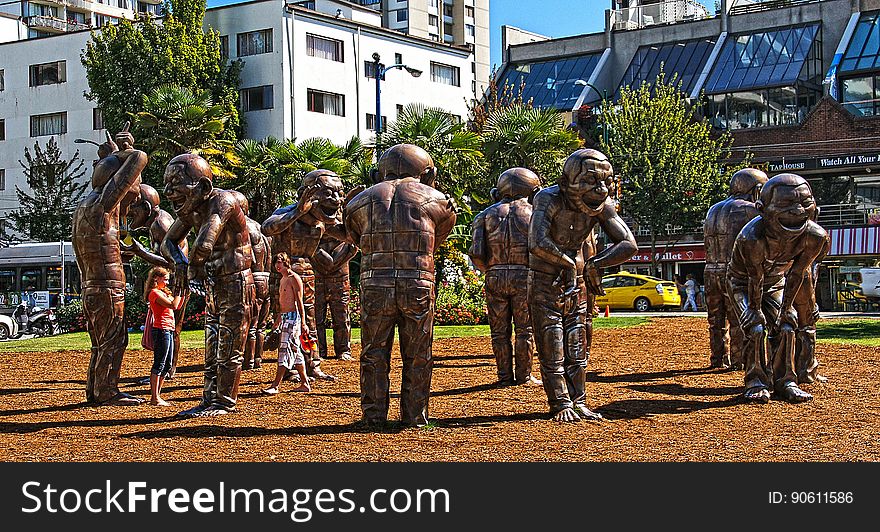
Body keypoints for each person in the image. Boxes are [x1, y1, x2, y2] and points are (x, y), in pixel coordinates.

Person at [344, 144, 457, 427]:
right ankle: (415, 417)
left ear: (377, 173)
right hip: (417, 281)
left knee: (373, 352)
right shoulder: (440, 200)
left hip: (375, 283)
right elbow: (435, 240)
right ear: (428, 173)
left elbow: (357, 238)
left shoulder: (358, 202)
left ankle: (373, 416)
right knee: (419, 352)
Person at [528, 149, 637, 422]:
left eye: (607, 181)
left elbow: (628, 244)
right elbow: (537, 242)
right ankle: (560, 403)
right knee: (552, 344)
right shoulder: (548, 198)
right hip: (545, 282)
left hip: (576, 285)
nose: (601, 189)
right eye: (590, 181)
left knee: (577, 347)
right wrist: (567, 263)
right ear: (566, 183)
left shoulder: (602, 205)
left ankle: (579, 401)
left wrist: (594, 264)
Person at [161, 153, 254, 417]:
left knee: (228, 345)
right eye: (166, 184)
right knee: (213, 343)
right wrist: (180, 264)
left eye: (176, 183)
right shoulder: (192, 209)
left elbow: (204, 244)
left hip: (236, 282)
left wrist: (189, 267)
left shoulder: (222, 201)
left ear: (202, 187)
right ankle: (209, 399)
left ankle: (224, 401)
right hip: (215, 283)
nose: (169, 192)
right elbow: (167, 242)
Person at [728, 173, 829, 404]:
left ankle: (786, 382)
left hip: (775, 281)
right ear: (762, 208)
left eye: (804, 203)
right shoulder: (752, 238)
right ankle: (756, 381)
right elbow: (754, 278)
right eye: (785, 204)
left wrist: (787, 309)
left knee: (787, 323)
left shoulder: (815, 237)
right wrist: (753, 310)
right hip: (742, 282)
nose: (797, 211)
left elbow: (797, 274)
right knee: (755, 327)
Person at [72, 125, 146, 406]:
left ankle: (95, 389)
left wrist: (111, 155)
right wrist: (125, 148)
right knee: (114, 340)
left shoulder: (83, 206)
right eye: (131, 186)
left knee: (99, 342)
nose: (135, 192)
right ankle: (107, 391)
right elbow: (139, 157)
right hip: (107, 285)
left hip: (90, 285)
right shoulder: (104, 203)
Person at [261, 170, 347, 381]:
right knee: (287, 322)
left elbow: (349, 236)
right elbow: (267, 228)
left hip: (307, 275)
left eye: (339, 193)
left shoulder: (323, 221)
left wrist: (352, 211)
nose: (335, 200)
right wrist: (297, 212)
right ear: (305, 194)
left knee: (309, 321)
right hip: (283, 275)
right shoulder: (287, 212)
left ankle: (313, 364)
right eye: (328, 194)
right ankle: (289, 368)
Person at [468, 167, 542, 386]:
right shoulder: (535, 214)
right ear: (534, 191)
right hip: (525, 275)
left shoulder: (485, 216)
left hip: (495, 276)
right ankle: (524, 375)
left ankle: (504, 375)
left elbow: (476, 252)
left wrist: (491, 270)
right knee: (524, 329)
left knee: (499, 332)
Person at [122, 184, 189, 381]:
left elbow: (173, 262)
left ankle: (166, 369)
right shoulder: (156, 224)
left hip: (174, 285)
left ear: (146, 208)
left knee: (170, 329)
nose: (129, 213)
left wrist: (140, 251)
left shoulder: (161, 225)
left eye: (133, 208)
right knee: (166, 328)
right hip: (169, 284)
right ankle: (164, 368)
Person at [703, 168, 768, 369]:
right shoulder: (750, 209)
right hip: (734, 272)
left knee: (715, 320)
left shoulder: (713, 210)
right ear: (756, 189)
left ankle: (718, 358)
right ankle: (738, 360)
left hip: (710, 270)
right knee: (739, 318)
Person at [263, 253, 310, 394]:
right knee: (295, 353)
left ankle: (275, 385)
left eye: (280, 262)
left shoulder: (293, 278)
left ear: (286, 263)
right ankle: (305, 383)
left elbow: (299, 302)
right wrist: (278, 319)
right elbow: (282, 302)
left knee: (284, 350)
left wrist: (303, 322)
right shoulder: (283, 279)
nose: (278, 265)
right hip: (285, 316)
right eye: (276, 263)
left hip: (293, 317)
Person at [144, 267, 184, 406]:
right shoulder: (154, 293)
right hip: (161, 330)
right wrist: (179, 291)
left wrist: (183, 292)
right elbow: (173, 305)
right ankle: (154, 397)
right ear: (156, 278)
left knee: (167, 365)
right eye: (165, 279)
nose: (167, 282)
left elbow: (178, 305)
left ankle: (157, 396)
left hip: (168, 329)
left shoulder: (163, 292)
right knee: (159, 363)